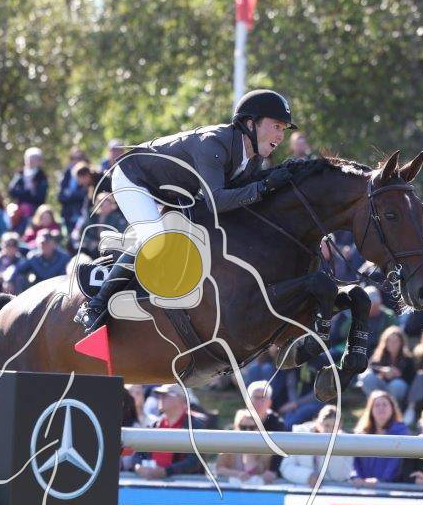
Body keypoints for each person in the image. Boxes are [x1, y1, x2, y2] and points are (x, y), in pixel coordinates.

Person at [75, 89, 300, 334]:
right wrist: (265, 186)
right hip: (134, 178)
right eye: (276, 126)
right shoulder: (214, 144)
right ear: (250, 123)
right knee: (155, 239)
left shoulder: (253, 159)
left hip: (174, 190)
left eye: (283, 129)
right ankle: (95, 306)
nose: (281, 136)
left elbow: (242, 199)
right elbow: (217, 201)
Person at [133, 384, 208, 479]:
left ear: (181, 399)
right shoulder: (154, 425)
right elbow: (138, 454)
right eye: (159, 395)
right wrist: (138, 466)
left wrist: (166, 472)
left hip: (184, 485)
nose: (160, 398)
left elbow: (194, 462)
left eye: (165, 395)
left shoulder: (195, 426)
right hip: (152, 482)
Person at [279, 405, 353, 486]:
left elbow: (343, 475)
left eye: (335, 427)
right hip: (300, 488)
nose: (330, 430)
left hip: (332, 489)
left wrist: (335, 448)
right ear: (318, 423)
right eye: (327, 425)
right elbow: (286, 467)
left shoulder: (345, 443)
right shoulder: (300, 435)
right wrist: (308, 476)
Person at [349, 390, 410, 485]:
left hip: (391, 487)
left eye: (385, 404)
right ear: (371, 410)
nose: (381, 408)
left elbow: (396, 463)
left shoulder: (401, 432)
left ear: (392, 408)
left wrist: (381, 481)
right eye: (377, 405)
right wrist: (356, 477)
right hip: (362, 486)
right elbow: (355, 463)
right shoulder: (361, 433)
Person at [215, 408, 279, 484]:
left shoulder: (265, 449)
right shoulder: (228, 446)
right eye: (243, 427)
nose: (247, 431)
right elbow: (219, 469)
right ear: (236, 427)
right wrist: (237, 474)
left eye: (252, 428)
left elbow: (269, 474)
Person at [359, 325, 415, 405]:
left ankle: (393, 407)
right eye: (389, 341)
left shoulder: (407, 358)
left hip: (397, 389)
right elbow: (370, 367)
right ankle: (375, 404)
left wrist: (397, 375)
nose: (392, 344)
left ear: (401, 342)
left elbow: (411, 379)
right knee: (366, 376)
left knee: (397, 385)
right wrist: (383, 371)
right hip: (381, 386)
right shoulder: (378, 355)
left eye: (396, 341)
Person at [9, 229, 71, 294]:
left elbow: (69, 275)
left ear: (53, 243)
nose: (44, 246)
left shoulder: (64, 257)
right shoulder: (33, 257)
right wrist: (9, 281)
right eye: (42, 243)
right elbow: (18, 269)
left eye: (47, 243)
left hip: (59, 291)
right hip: (39, 291)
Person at [7, 146, 49, 224]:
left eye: (34, 158)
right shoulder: (20, 174)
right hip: (19, 209)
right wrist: (27, 191)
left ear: (39, 161)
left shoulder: (42, 177)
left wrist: (26, 194)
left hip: (35, 209)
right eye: (29, 158)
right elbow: (11, 191)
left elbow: (40, 197)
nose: (31, 161)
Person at [57, 149, 91, 225]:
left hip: (83, 215)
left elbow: (85, 195)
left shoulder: (89, 173)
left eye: (79, 158)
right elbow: (60, 197)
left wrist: (69, 194)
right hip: (67, 214)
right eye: (73, 158)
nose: (76, 161)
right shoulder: (66, 173)